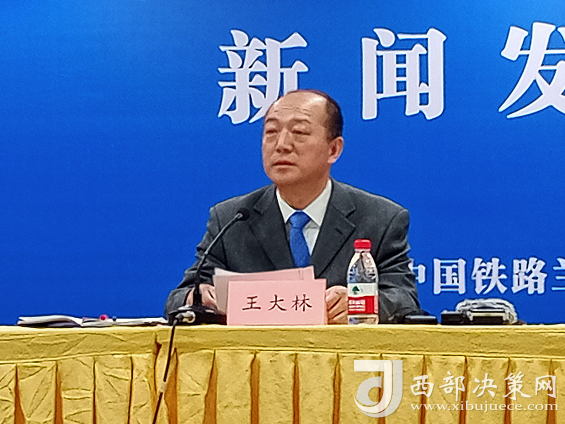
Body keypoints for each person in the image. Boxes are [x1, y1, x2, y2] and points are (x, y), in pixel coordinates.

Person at [165, 89, 420, 324]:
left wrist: (359, 305)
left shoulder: (380, 219)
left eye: (299, 132)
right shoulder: (232, 218)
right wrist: (197, 297)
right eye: (271, 132)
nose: (282, 144)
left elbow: (404, 299)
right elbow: (178, 299)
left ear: (334, 149)